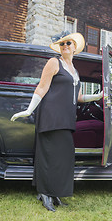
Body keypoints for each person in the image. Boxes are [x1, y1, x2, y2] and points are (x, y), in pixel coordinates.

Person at [10, 31, 102, 212]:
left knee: (63, 157)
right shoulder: (54, 63)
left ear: (75, 47)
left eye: (68, 43)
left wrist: (98, 96)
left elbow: (79, 97)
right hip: (51, 116)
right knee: (48, 156)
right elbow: (42, 87)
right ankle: (45, 193)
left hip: (67, 119)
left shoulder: (75, 72)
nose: (65, 46)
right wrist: (29, 110)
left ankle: (55, 191)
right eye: (62, 44)